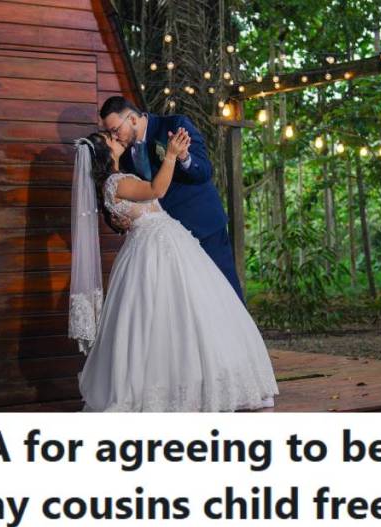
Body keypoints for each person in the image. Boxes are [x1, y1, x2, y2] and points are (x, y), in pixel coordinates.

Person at [68, 129, 278, 412]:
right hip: (156, 246)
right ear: (104, 153)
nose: (115, 138)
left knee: (179, 312)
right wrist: (169, 156)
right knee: (175, 312)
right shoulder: (116, 182)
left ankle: (190, 383)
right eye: (109, 139)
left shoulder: (113, 183)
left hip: (156, 243)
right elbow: (156, 191)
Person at [98, 96, 243, 301]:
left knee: (227, 294)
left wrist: (184, 157)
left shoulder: (175, 125)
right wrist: (118, 222)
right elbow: (128, 196)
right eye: (109, 132)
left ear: (131, 119)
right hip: (169, 242)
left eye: (115, 130)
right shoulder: (124, 155)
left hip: (203, 226)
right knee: (192, 302)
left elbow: (204, 172)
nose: (114, 136)